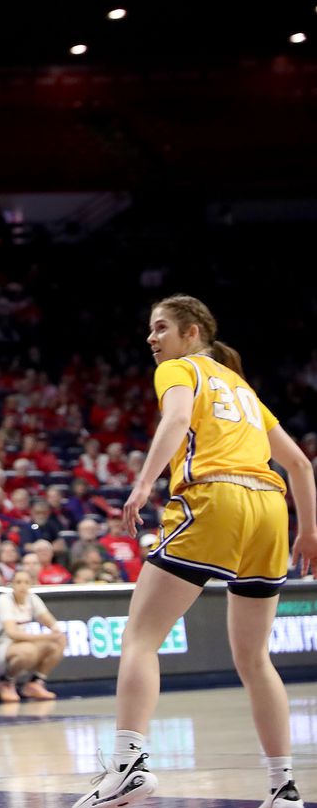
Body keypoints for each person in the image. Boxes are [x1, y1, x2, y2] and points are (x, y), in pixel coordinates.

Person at [73, 295, 317, 808]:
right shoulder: (245, 390)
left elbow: (177, 419)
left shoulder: (181, 370)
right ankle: (283, 787)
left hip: (216, 498)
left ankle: (127, 768)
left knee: (141, 635)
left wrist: (143, 485)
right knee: (254, 658)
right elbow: (300, 466)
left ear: (192, 333)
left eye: (161, 327)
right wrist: (309, 531)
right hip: (271, 510)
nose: (151, 338)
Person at [0, 569, 65, 702]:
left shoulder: (32, 598)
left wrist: (56, 630)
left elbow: (47, 619)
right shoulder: (3, 600)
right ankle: (5, 682)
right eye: (18, 582)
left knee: (59, 642)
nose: (22, 586)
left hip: (19, 645)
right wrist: (46, 637)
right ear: (11, 585)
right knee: (29, 650)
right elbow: (13, 633)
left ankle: (36, 683)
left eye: (26, 582)